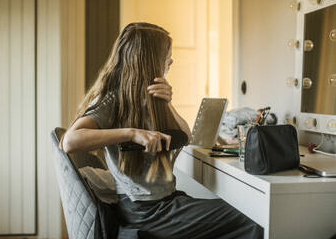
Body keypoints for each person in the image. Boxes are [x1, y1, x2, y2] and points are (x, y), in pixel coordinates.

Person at [61, 22, 263, 239]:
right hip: (145, 211)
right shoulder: (114, 99)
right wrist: (132, 133)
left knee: (244, 216)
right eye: (166, 54)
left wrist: (168, 103)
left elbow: (185, 136)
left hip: (164, 201)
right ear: (148, 59)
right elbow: (70, 141)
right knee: (254, 220)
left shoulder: (150, 98)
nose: (171, 60)